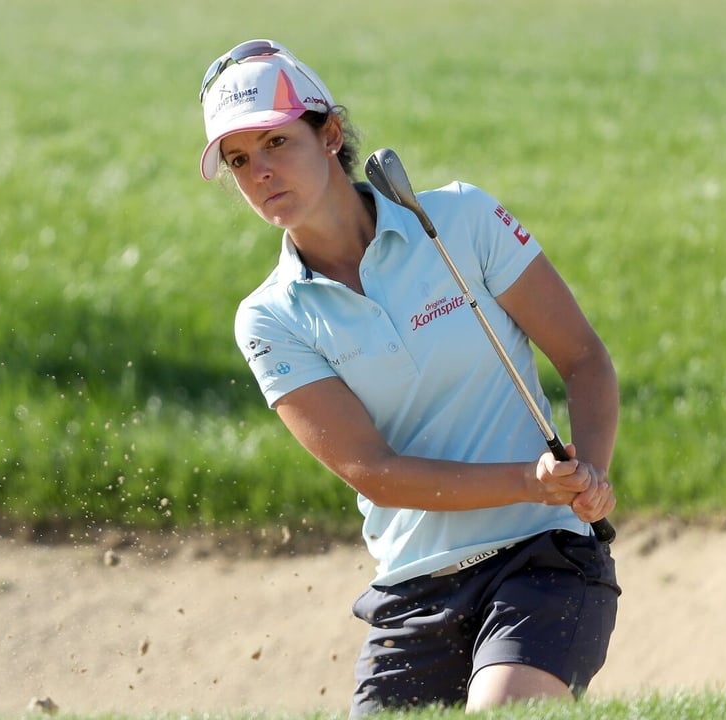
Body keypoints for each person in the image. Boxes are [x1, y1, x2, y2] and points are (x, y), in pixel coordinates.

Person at [196, 39, 621, 716]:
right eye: (240, 161)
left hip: (541, 561)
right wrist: (528, 482)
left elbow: (584, 358)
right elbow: (374, 470)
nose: (261, 174)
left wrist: (587, 477)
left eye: (277, 142)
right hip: (412, 595)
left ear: (329, 132)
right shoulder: (270, 318)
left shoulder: (459, 221)